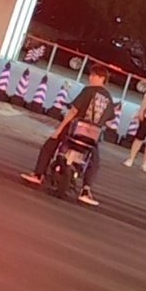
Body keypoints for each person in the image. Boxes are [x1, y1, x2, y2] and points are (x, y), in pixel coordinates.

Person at [22, 66, 112, 205]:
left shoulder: (88, 90)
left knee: (49, 146)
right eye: (90, 75)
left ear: (102, 78)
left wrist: (59, 130)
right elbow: (109, 120)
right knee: (94, 162)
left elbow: (73, 111)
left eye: (94, 75)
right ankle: (86, 190)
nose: (90, 78)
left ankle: (38, 174)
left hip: (76, 130)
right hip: (92, 136)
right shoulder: (109, 98)